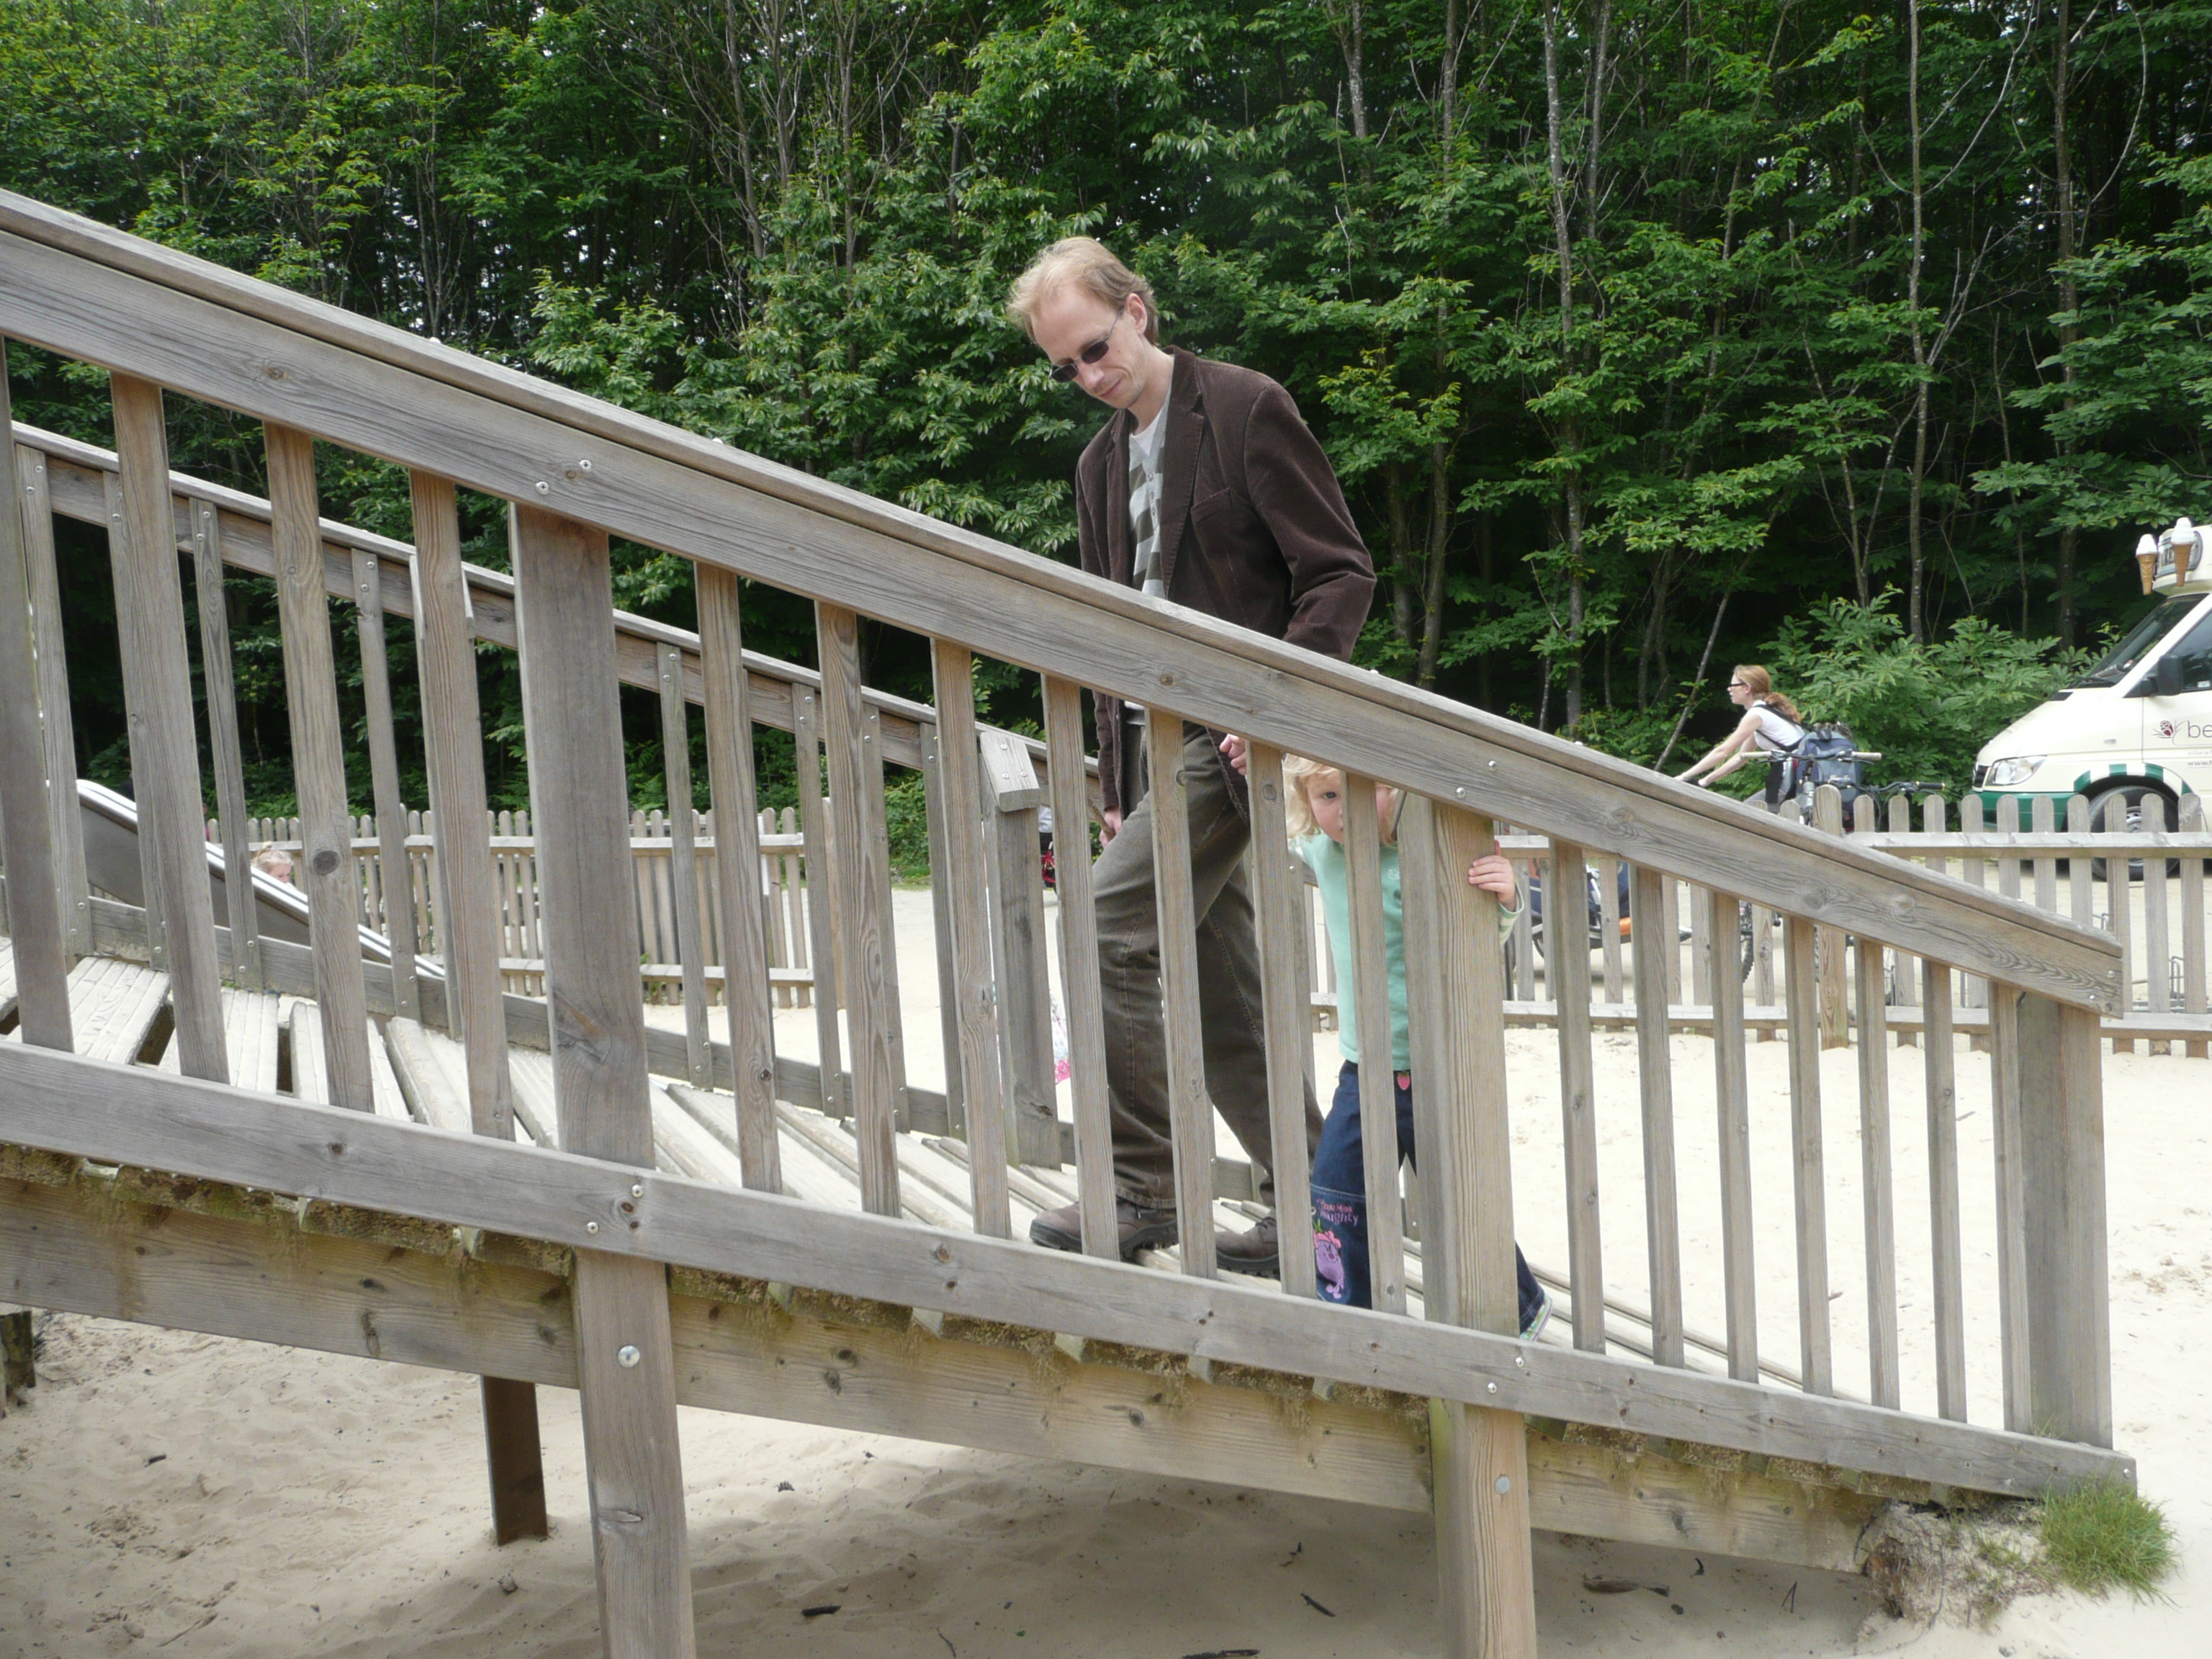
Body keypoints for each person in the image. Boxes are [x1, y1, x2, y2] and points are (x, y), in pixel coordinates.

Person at [1006, 236, 1376, 1271]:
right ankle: (1314, 1205)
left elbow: (1339, 574)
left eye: (1095, 347)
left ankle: (1144, 1189)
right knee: (1223, 991)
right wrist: (1113, 783)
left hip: (1233, 742)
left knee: (1105, 924)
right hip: (1148, 748)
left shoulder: (1246, 407)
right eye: (1066, 367)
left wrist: (1273, 710)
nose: (1089, 375)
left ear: (1138, 310)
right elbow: (1112, 637)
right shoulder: (1096, 465)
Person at [1276, 755, 1548, 1330]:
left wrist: (1506, 898)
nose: (1345, 808)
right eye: (1327, 797)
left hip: (1438, 1066)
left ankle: (1520, 1305)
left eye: (1362, 788)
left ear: (1396, 789)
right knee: (1336, 1189)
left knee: (1462, 1197)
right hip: (1365, 1068)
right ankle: (1350, 1310)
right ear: (1307, 803)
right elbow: (1257, 800)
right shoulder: (1323, 851)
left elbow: (1479, 933)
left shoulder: (1429, 849)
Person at [1676, 665, 1804, 810]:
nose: (1729, 689)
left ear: (1747, 688)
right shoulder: (1768, 709)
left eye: (1733, 685)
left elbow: (1722, 752)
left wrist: (1684, 776)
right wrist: (1705, 781)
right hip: (1798, 776)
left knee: (1744, 814)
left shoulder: (1757, 714)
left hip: (1789, 779)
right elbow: (1742, 757)